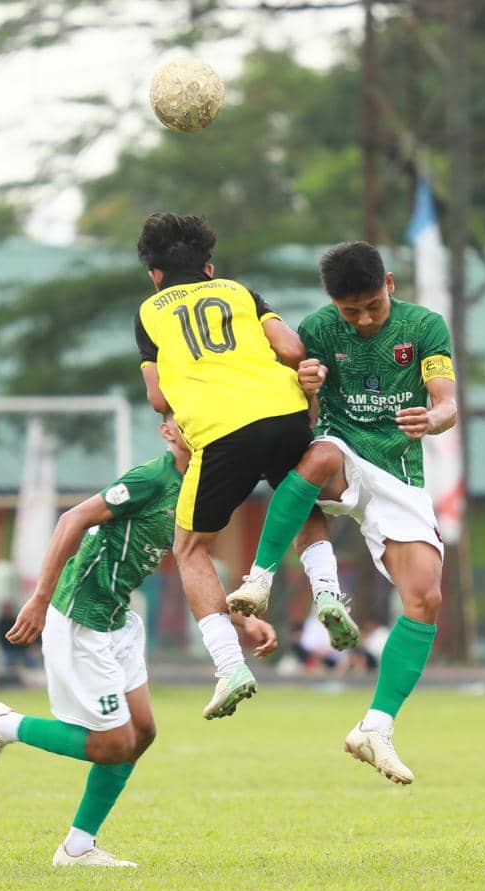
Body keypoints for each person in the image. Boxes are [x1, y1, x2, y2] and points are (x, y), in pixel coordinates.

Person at [0, 416, 276, 869]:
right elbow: (73, 518)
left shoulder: (199, 487)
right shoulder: (152, 478)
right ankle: (3, 725)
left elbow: (194, 561)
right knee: (113, 743)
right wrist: (38, 597)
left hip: (117, 620)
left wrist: (242, 622)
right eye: (183, 419)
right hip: (81, 616)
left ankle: (76, 849)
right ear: (168, 431)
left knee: (142, 733)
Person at [227, 240, 458, 784]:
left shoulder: (425, 327)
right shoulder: (318, 329)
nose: (362, 319)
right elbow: (300, 417)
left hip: (398, 474)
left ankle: (375, 728)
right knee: (318, 454)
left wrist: (435, 417)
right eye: (349, 311)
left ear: (391, 285)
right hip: (341, 450)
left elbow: (446, 399)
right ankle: (258, 580)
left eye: (372, 306)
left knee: (425, 597)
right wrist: (307, 388)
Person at [133, 212, 319, 719]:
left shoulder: (150, 312)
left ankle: (229, 665)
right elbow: (291, 348)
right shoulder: (239, 292)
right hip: (285, 414)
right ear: (209, 267)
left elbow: (156, 397)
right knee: (300, 496)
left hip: (222, 434)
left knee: (190, 548)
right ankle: (328, 594)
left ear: (154, 274)